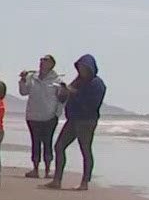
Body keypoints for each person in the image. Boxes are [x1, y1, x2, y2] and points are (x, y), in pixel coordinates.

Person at [45, 54, 106, 190]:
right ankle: (57, 179)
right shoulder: (78, 81)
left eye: (84, 68)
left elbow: (92, 104)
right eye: (80, 68)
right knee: (59, 146)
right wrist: (63, 91)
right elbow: (63, 99)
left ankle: (85, 182)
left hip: (87, 121)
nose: (82, 70)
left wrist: (74, 93)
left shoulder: (97, 84)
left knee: (85, 150)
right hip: (72, 119)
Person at [18, 54, 64, 179]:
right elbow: (23, 92)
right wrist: (22, 80)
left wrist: (56, 115)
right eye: (41, 60)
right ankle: (35, 168)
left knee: (47, 143)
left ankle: (48, 169)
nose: (42, 62)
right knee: (35, 142)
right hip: (33, 115)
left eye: (45, 60)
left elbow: (61, 100)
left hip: (49, 116)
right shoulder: (33, 77)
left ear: (52, 64)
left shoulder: (57, 80)